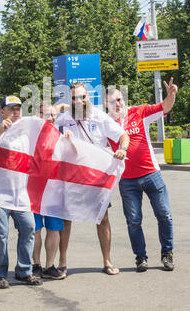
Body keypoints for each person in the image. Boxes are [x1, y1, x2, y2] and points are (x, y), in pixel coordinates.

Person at [56, 82, 129, 276]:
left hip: (97, 176)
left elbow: (123, 135)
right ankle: (62, 263)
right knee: (67, 217)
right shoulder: (65, 118)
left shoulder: (99, 116)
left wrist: (122, 149)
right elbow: (49, 133)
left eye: (82, 97)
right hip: (72, 175)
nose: (78, 101)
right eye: (74, 98)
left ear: (88, 97)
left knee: (102, 217)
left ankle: (107, 261)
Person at [105, 78, 178, 273]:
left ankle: (167, 254)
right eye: (113, 102)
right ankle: (141, 257)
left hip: (151, 174)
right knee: (134, 220)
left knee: (164, 215)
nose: (118, 104)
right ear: (106, 104)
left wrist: (171, 95)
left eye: (119, 99)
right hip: (127, 181)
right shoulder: (105, 125)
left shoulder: (139, 112)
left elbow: (165, 107)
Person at [0, 95, 42, 289]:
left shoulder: (26, 131)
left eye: (18, 108)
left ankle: (24, 271)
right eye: (11, 108)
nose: (16, 112)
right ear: (2, 112)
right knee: (0, 235)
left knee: (29, 228)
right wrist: (0, 131)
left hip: (20, 193)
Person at [32, 103, 66, 280]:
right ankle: (35, 265)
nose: (52, 118)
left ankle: (49, 266)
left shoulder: (60, 136)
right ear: (38, 115)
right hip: (33, 190)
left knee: (54, 229)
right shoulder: (30, 136)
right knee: (35, 229)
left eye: (54, 115)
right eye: (48, 115)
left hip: (54, 190)